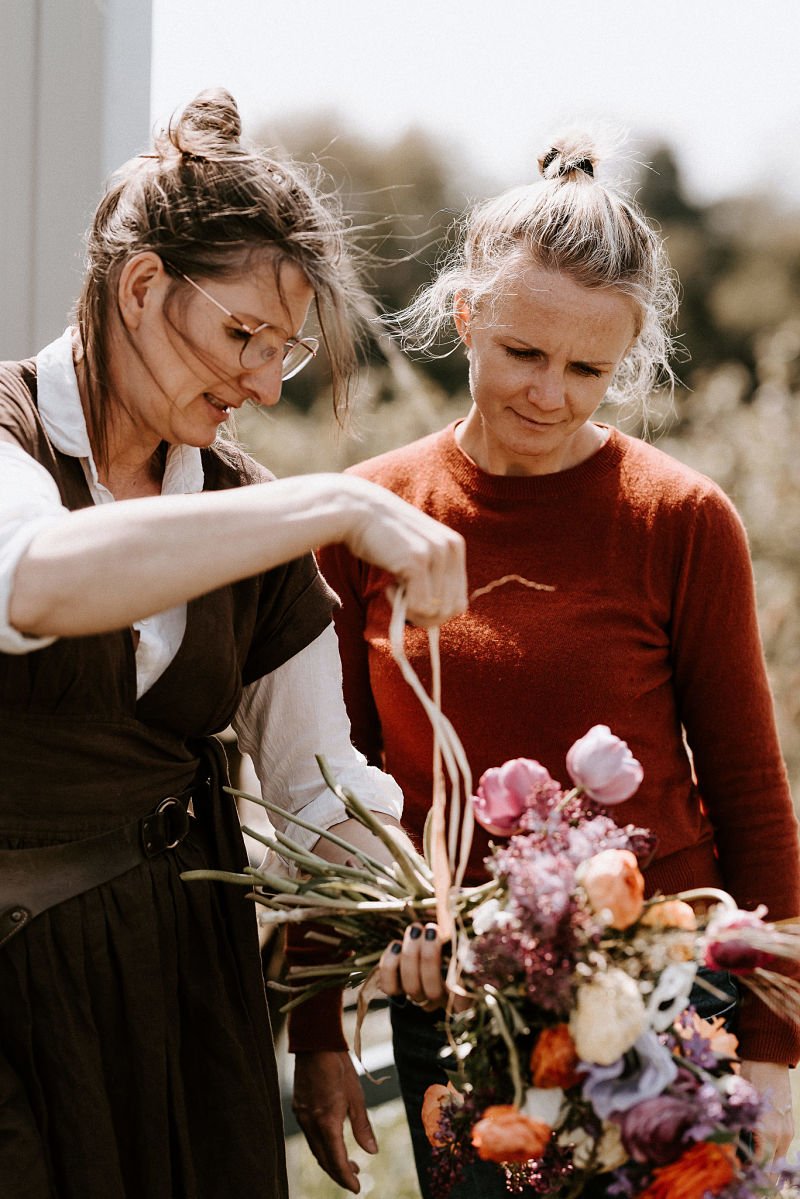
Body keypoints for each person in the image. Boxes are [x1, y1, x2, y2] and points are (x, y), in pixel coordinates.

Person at [293, 134, 800, 1197]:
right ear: (466, 315)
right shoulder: (364, 515)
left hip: (667, 1018)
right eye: (523, 352)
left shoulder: (678, 520)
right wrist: (319, 1028)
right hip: (457, 1013)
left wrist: (770, 1052)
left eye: (586, 369)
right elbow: (326, 789)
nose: (550, 393)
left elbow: (750, 798)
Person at [0, 89, 468, 1199]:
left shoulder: (248, 510)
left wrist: (454, 917)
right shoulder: (10, 432)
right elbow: (36, 580)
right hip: (15, 979)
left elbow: (319, 791)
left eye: (283, 350)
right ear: (143, 285)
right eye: (242, 335)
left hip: (182, 979)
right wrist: (329, 506)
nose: (262, 383)